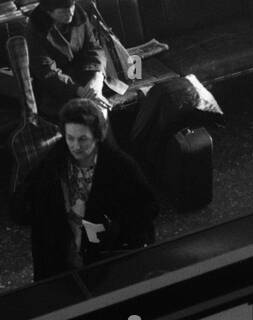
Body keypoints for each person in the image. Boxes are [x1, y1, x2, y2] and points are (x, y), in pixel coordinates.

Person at [16, 95, 158, 283]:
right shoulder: (52, 161)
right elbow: (27, 201)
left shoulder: (121, 166)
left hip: (106, 259)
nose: (75, 146)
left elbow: (146, 209)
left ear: (97, 136)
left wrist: (113, 228)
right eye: (70, 138)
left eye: (83, 139)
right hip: (61, 257)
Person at [22, 0, 109, 119]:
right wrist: (79, 91)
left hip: (86, 77)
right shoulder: (36, 29)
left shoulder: (78, 14)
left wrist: (97, 78)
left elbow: (93, 47)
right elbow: (46, 72)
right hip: (57, 89)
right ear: (48, 11)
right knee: (91, 110)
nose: (70, 13)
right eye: (63, 11)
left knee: (97, 106)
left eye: (72, 7)